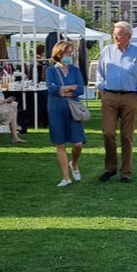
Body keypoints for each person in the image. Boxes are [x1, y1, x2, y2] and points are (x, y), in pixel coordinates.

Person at [96, 20, 137, 183]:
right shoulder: (107, 51)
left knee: (127, 136)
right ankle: (110, 168)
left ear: (128, 36)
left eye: (118, 34)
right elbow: (99, 72)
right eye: (114, 33)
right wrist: (101, 87)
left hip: (129, 97)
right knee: (108, 132)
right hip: (109, 96)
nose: (115, 37)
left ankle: (126, 172)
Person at [46, 41, 86, 187]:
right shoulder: (51, 70)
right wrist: (69, 88)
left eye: (70, 53)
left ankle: (74, 163)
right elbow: (51, 89)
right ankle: (66, 177)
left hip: (72, 109)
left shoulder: (75, 70)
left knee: (78, 143)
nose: (69, 55)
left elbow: (80, 89)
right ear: (59, 53)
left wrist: (63, 89)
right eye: (67, 53)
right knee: (60, 143)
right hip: (56, 108)